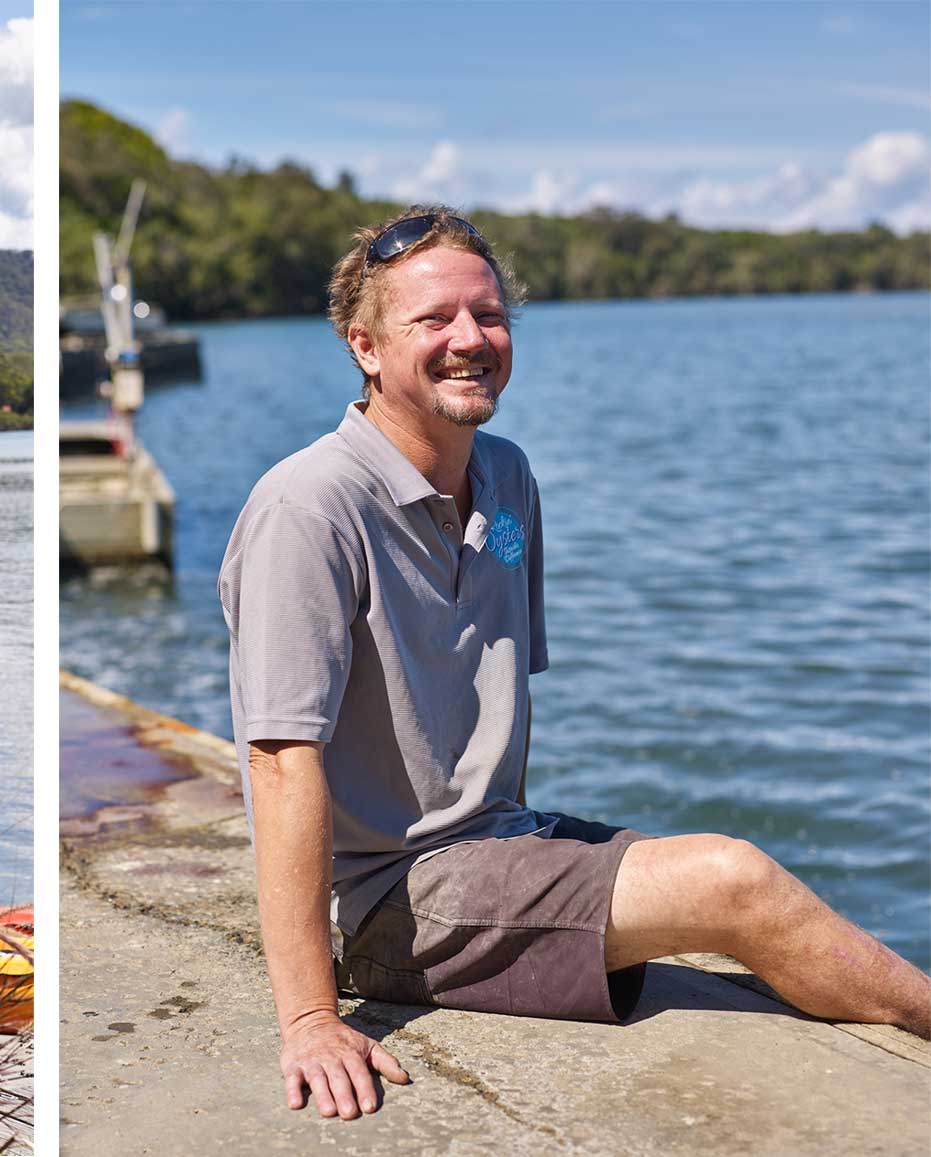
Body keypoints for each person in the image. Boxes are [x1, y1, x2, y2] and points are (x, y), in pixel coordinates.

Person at [217, 205, 931, 1123]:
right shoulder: (306, 508)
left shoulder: (505, 476)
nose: (469, 339)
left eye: (489, 314)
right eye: (432, 320)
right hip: (393, 898)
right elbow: (280, 764)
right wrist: (310, 1017)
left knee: (737, 903)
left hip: (501, 839)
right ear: (364, 346)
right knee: (733, 881)